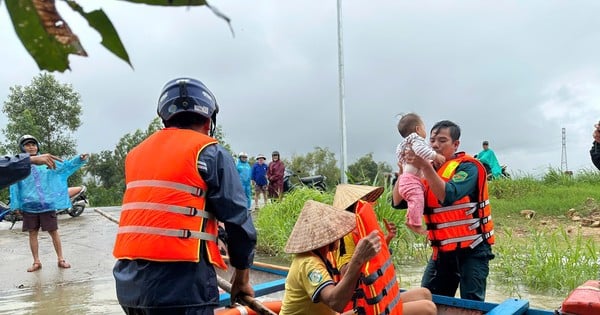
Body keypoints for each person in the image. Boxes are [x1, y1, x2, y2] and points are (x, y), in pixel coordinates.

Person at [112, 77, 256, 315]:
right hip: (182, 288)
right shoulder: (210, 152)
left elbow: (167, 213)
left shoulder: (135, 155)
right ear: (208, 121)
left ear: (165, 119)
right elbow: (238, 224)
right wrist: (241, 278)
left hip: (129, 286)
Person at [393, 120, 495, 301]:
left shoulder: (469, 167)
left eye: (442, 141)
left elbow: (448, 195)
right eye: (432, 141)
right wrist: (404, 173)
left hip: (472, 251)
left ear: (455, 144)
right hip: (441, 253)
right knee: (426, 301)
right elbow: (397, 201)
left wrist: (424, 166)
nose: (435, 145)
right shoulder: (423, 170)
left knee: (471, 304)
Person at [333, 184, 437, 315]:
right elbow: (345, 274)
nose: (369, 203)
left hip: (373, 296)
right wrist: (361, 256)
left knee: (425, 293)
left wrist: (387, 239)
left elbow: (374, 261)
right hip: (360, 305)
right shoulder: (346, 234)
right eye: (364, 200)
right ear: (354, 205)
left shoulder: (359, 228)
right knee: (428, 308)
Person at [279, 200, 381, 315]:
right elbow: (335, 302)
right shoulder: (309, 263)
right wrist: (358, 259)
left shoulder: (319, 258)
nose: (339, 235)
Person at [9, 134, 89, 272]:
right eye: (27, 145)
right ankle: (36, 262)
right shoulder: (20, 166)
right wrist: (15, 206)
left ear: (37, 146)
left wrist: (79, 159)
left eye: (33, 144)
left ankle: (61, 259)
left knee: (54, 232)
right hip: (29, 207)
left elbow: (65, 167)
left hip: (47, 205)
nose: (31, 147)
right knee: (32, 233)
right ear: (22, 148)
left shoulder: (47, 161)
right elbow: (14, 186)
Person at [395, 113, 445, 235]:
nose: (433, 145)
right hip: (411, 180)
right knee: (417, 199)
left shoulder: (404, 144)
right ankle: (415, 224)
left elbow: (399, 154)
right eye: (424, 128)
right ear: (418, 129)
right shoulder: (416, 140)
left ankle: (410, 218)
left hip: (407, 180)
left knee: (414, 201)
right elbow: (421, 150)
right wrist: (435, 156)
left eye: (442, 140)